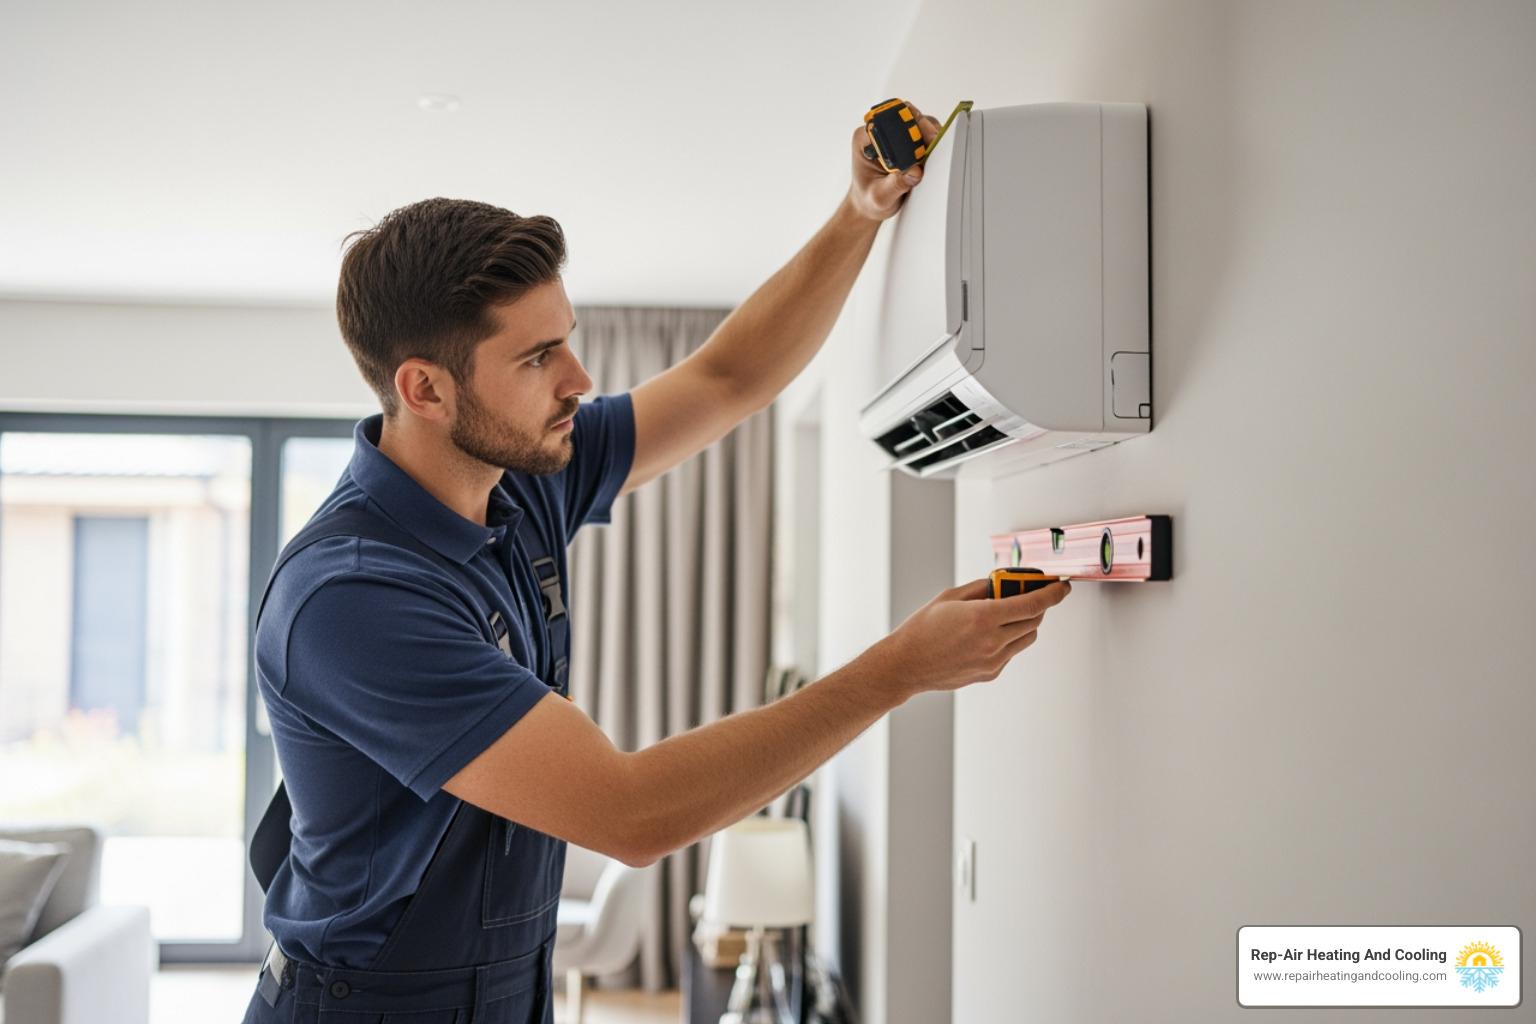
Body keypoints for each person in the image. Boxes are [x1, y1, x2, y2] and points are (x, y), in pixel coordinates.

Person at [243, 106, 1069, 1024]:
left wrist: (858, 214)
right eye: (538, 357)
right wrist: (899, 669)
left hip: (507, 986)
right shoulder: (352, 594)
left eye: (567, 338)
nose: (579, 380)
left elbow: (726, 380)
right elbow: (630, 814)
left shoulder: (521, 478)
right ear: (424, 388)